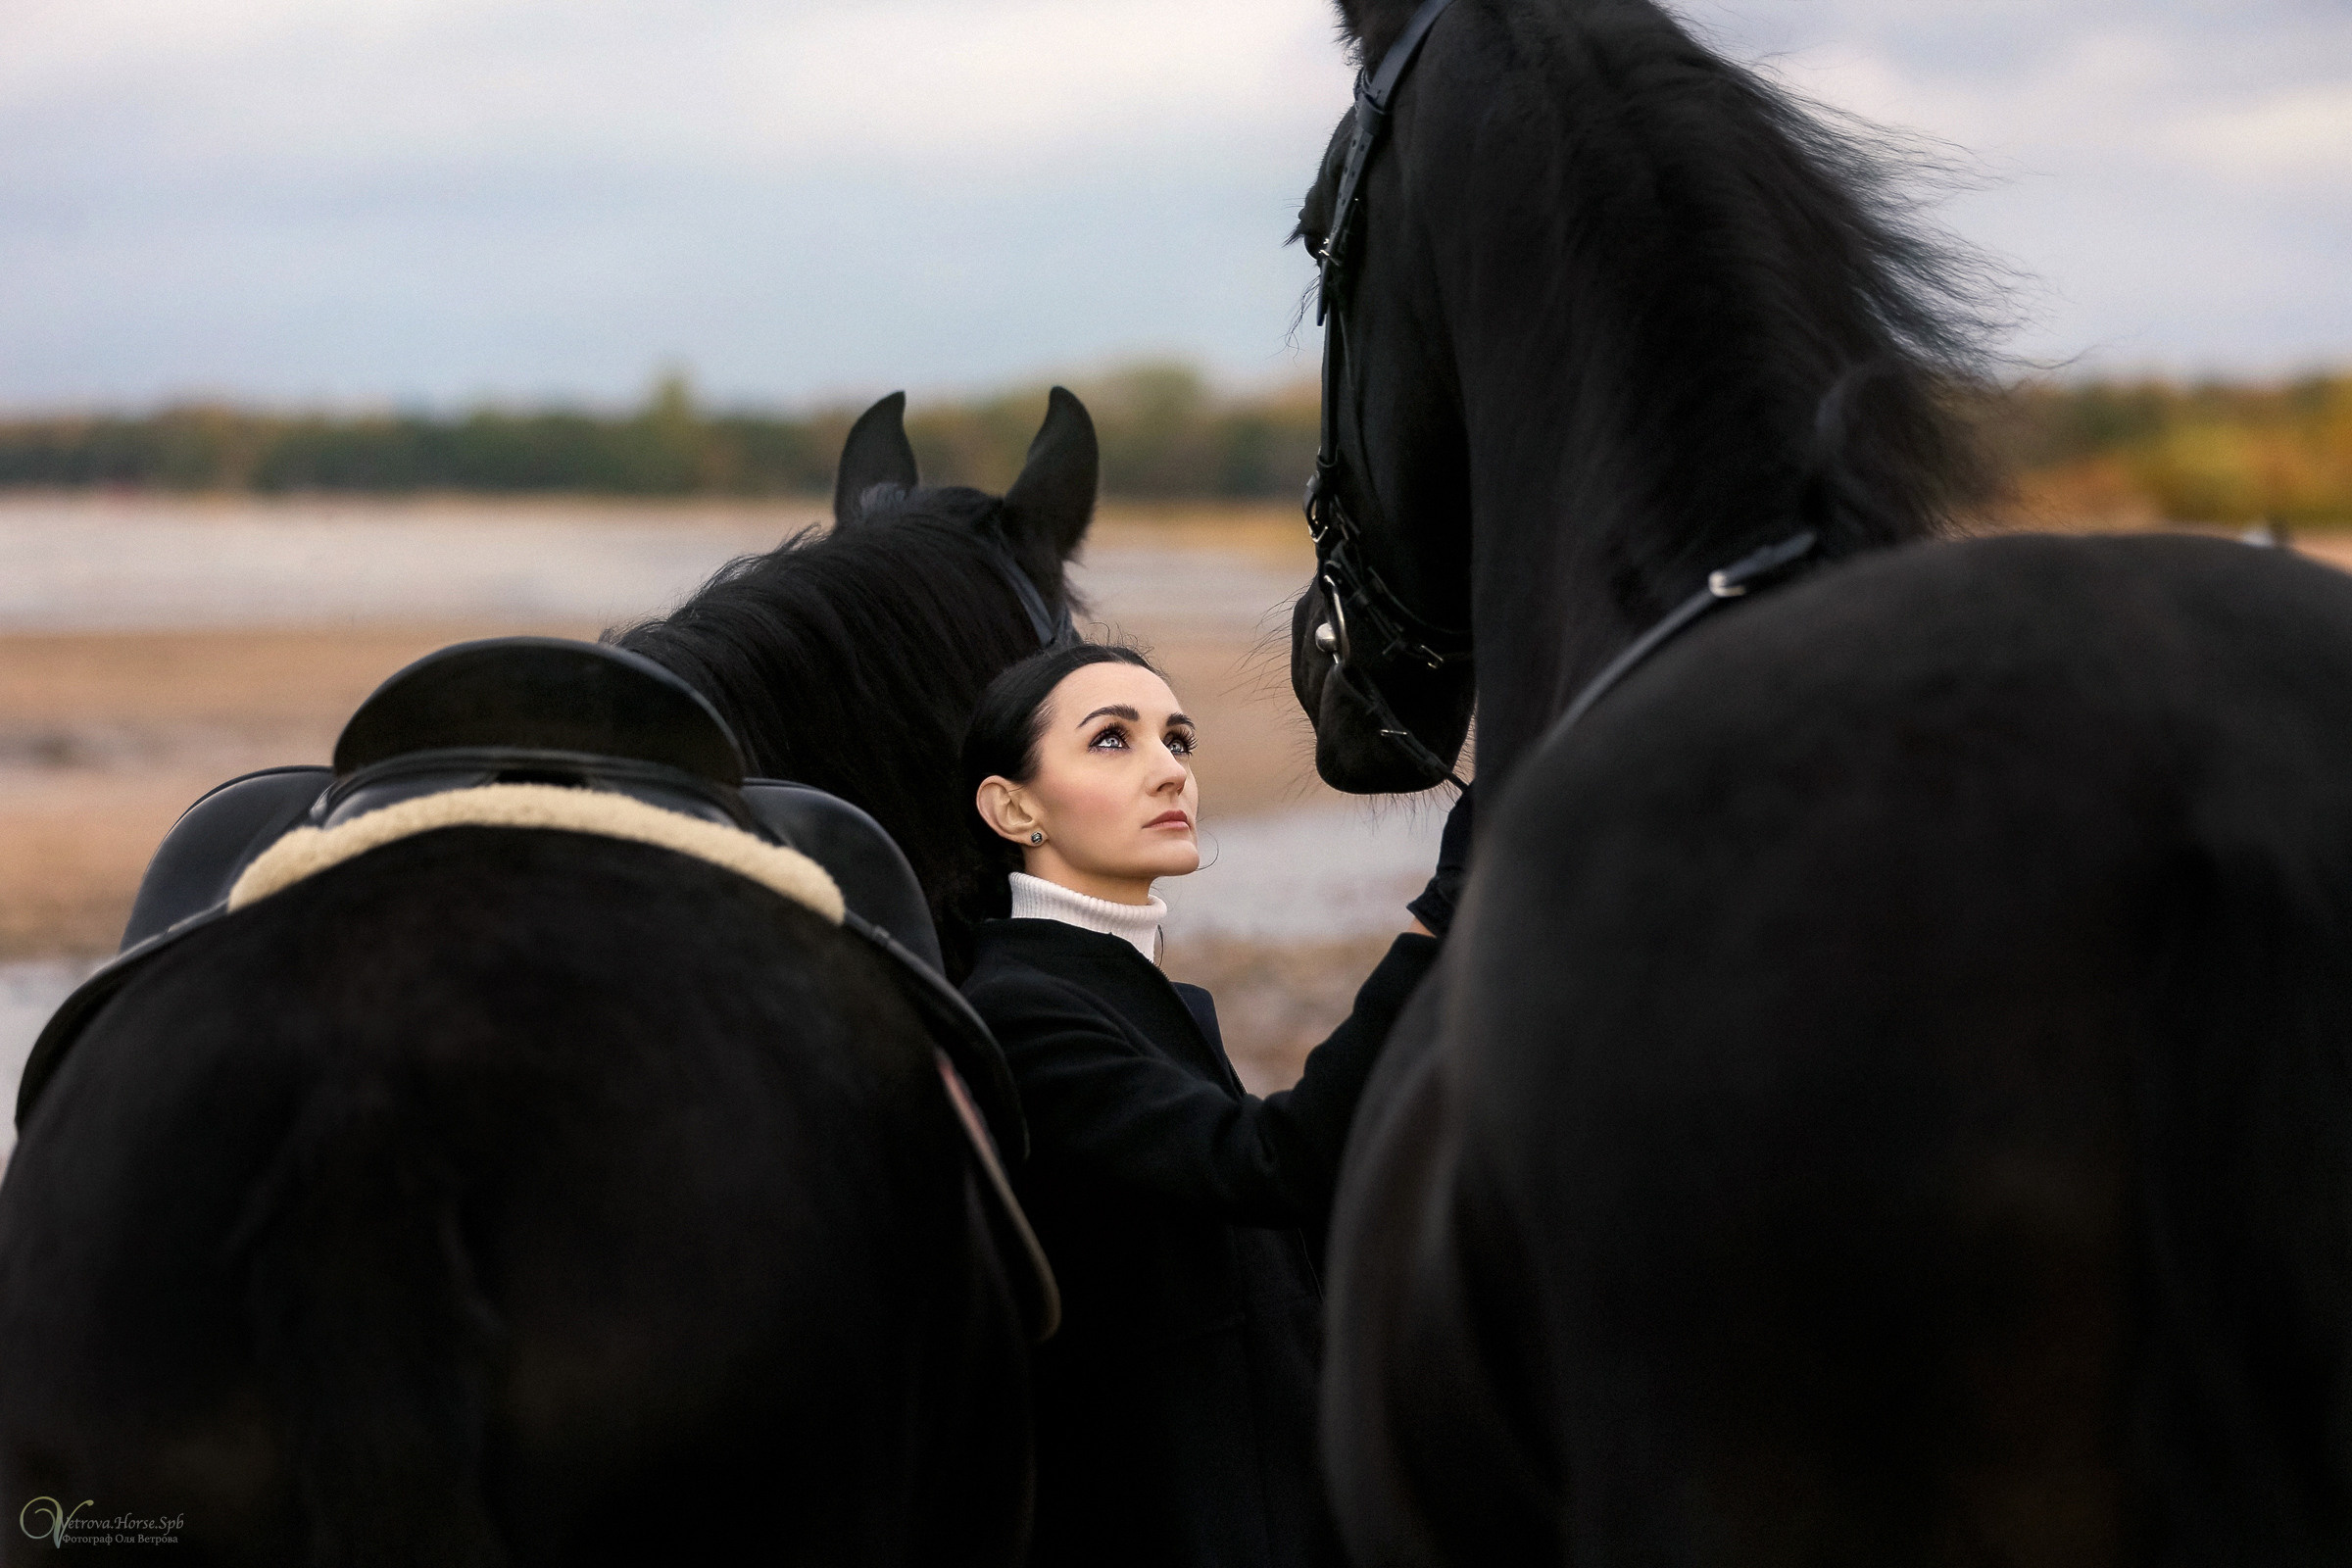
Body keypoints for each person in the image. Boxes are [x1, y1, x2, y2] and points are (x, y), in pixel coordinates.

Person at [958, 642, 1473, 1568]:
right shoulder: (1019, 1007)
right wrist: (1436, 928)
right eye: (1113, 741)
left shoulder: (1143, 994)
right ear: (1013, 807)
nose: (1171, 771)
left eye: (1179, 741)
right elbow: (1270, 1166)